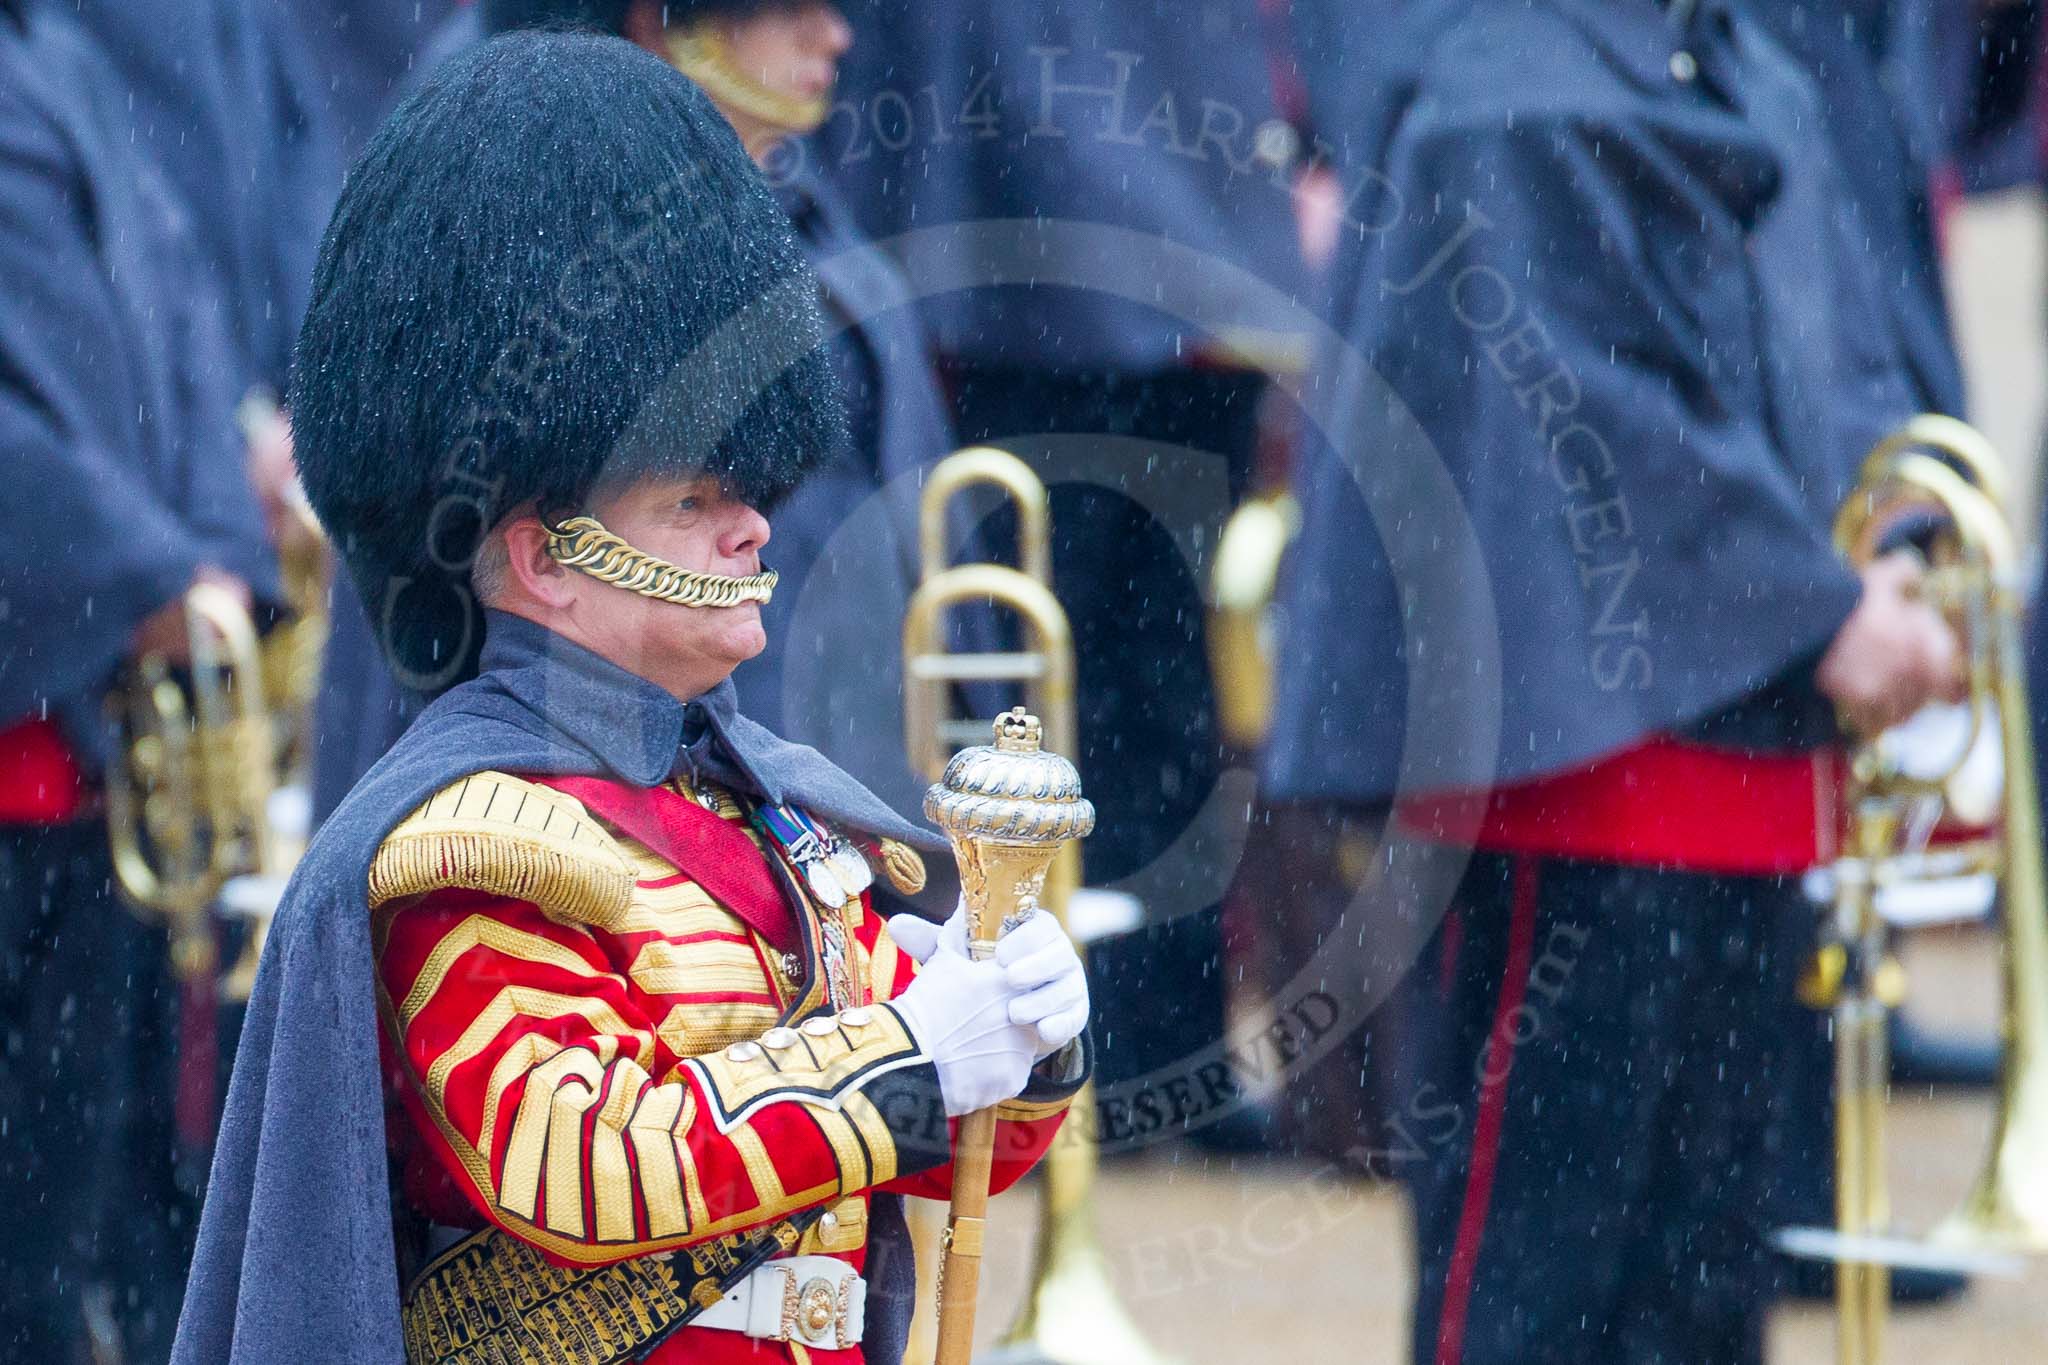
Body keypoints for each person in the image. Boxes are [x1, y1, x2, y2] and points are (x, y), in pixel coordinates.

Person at [173, 33, 1090, 1365]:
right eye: (693, 499)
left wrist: (1018, 1032)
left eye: (745, 493)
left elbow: (947, 1152)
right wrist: (906, 1049)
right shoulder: (478, 843)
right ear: (544, 555)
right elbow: (588, 1162)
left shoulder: (772, 818)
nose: (752, 531)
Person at [1261, 1, 1964, 1361]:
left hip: (1752, 735)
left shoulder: (1734, 54)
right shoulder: (1499, 87)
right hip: (1583, 773)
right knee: (1540, 1263)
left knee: (1701, 1269)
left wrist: (1893, 546)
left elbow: (1845, 346)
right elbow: (1585, 430)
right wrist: (1824, 607)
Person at [313, 0, 969, 831]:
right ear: (665, 22)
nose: (833, 34)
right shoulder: (521, 202)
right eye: (789, 8)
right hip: (626, 774)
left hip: (810, 747)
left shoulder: (790, 203)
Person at [0, 1, 280, 1357]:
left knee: (64, 1251)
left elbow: (182, 323)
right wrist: (141, 571)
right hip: (42, 709)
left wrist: (206, 555)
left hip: (92, 770)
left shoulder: (59, 58)